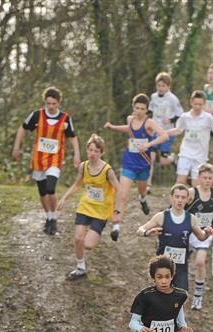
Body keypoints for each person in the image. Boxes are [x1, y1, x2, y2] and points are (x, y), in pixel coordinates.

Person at [12, 86, 80, 235]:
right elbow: (22, 128)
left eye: (54, 104)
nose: (51, 106)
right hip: (38, 159)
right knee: (42, 192)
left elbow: (72, 137)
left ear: (58, 103)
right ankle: (49, 218)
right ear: (45, 102)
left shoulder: (65, 118)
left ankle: (54, 217)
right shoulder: (36, 115)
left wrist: (77, 154)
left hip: (55, 158)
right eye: (48, 103)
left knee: (50, 188)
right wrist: (17, 147)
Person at [57, 134, 121, 279]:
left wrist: (117, 210)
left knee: (88, 245)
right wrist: (64, 198)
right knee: (78, 239)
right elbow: (77, 184)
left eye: (96, 151)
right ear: (87, 150)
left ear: (101, 153)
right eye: (90, 150)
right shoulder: (83, 166)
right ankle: (80, 268)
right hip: (85, 207)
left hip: (101, 210)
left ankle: (97, 232)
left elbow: (120, 190)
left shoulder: (107, 170)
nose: (93, 153)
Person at [104, 93, 168, 226]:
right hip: (129, 162)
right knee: (122, 194)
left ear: (147, 109)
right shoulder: (130, 119)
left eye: (142, 109)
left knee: (142, 190)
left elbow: (164, 135)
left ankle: (143, 199)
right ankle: (116, 225)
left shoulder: (149, 123)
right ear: (133, 107)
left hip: (143, 163)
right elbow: (129, 129)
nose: (139, 111)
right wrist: (113, 127)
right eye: (137, 108)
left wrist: (148, 145)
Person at [137, 183, 213, 291]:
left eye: (183, 197)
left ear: (187, 199)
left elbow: (201, 237)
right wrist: (147, 233)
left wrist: (207, 233)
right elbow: (140, 230)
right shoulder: (161, 216)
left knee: (181, 295)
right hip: (162, 266)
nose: (180, 200)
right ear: (171, 198)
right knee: (162, 297)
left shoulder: (191, 219)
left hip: (181, 266)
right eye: (177, 197)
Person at [185, 163, 213, 310]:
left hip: (206, 232)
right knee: (179, 262)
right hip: (190, 232)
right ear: (199, 178)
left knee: (200, 262)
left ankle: (197, 295)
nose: (207, 180)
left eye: (210, 178)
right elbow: (179, 208)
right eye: (204, 178)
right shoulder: (191, 192)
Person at [167, 91, 213, 186]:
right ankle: (176, 200)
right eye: (195, 104)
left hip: (200, 155)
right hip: (185, 152)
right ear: (191, 102)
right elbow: (178, 130)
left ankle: (193, 200)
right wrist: (163, 132)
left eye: (200, 104)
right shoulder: (185, 116)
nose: (197, 107)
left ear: (204, 104)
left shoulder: (208, 117)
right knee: (180, 180)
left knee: (196, 184)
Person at [147, 72, 183, 193]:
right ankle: (148, 185)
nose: (161, 88)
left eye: (163, 86)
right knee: (150, 157)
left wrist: (171, 119)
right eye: (159, 85)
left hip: (167, 132)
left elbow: (180, 115)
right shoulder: (153, 97)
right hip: (155, 131)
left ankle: (173, 159)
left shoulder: (173, 99)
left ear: (168, 86)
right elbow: (150, 111)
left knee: (163, 160)